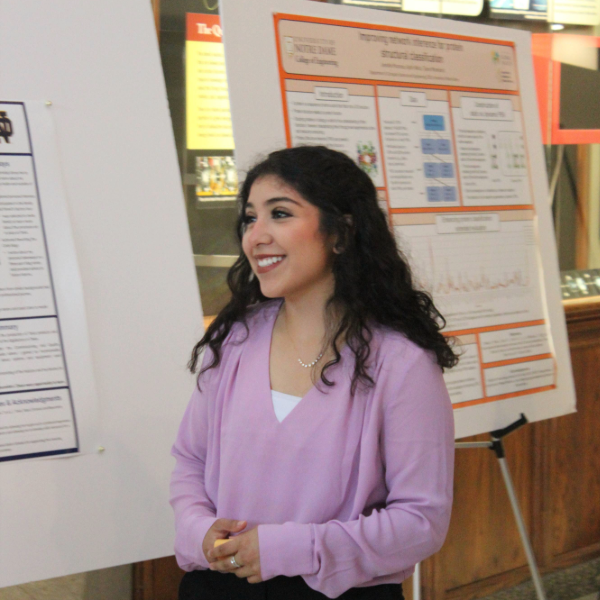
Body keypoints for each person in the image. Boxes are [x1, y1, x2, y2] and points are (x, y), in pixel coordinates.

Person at [170, 146, 458, 600]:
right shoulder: (234, 342)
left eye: (280, 214)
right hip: (218, 587)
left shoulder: (401, 363)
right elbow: (190, 461)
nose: (255, 236)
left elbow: (421, 521)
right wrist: (199, 531)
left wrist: (293, 548)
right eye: (250, 218)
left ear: (341, 233)